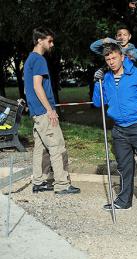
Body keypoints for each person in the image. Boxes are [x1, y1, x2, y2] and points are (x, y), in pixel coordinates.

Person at [92, 43, 137, 211]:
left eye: (114, 58)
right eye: (108, 59)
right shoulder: (106, 78)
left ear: (122, 57)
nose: (111, 62)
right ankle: (123, 201)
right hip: (119, 129)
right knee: (123, 167)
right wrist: (97, 82)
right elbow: (97, 102)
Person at [23, 27, 80, 195]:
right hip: (44, 112)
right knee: (57, 146)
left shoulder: (29, 60)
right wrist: (50, 110)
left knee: (39, 149)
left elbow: (28, 90)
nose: (52, 44)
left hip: (36, 113)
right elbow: (37, 86)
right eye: (49, 40)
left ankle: (38, 182)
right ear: (39, 40)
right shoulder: (39, 59)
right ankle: (62, 184)